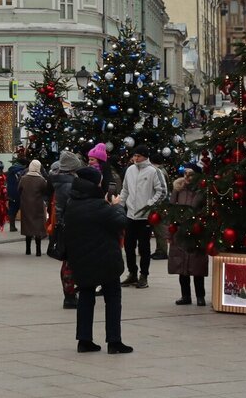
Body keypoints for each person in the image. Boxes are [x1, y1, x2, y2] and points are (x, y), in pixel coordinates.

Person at [61, 165, 131, 353]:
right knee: (113, 298)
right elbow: (120, 223)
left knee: (85, 296)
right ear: (94, 183)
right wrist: (117, 207)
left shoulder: (72, 203)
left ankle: (84, 340)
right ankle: (114, 341)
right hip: (105, 258)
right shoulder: (98, 205)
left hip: (81, 258)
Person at [118, 145, 167, 288]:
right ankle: (132, 273)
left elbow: (162, 191)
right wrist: (120, 204)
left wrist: (150, 204)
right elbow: (125, 189)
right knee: (128, 246)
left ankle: (144, 275)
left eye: (138, 156)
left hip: (145, 216)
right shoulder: (130, 170)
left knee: (144, 247)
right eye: (134, 156)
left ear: (145, 157)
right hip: (130, 215)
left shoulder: (154, 171)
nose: (135, 158)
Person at [167, 163, 208, 306]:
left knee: (198, 267)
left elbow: (206, 211)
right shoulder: (178, 189)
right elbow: (171, 209)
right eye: (185, 174)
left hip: (197, 231)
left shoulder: (203, 191)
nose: (187, 177)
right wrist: (170, 231)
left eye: (190, 174)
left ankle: (200, 296)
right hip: (180, 230)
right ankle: (185, 296)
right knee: (181, 266)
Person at [47, 149, 83, 306]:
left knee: (68, 261)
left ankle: (69, 294)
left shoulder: (58, 180)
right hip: (71, 225)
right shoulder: (70, 184)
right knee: (70, 262)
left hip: (62, 224)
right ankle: (69, 296)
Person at [18, 159, 51, 257]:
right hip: (37, 206)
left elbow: (19, 189)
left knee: (27, 227)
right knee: (38, 228)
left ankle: (28, 249)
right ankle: (38, 251)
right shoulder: (41, 180)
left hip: (26, 206)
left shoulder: (23, 178)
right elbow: (46, 191)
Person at [6, 152, 26, 232]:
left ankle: (12, 226)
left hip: (11, 192)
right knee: (25, 210)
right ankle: (25, 227)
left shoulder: (11, 170)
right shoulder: (24, 170)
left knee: (12, 209)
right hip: (21, 192)